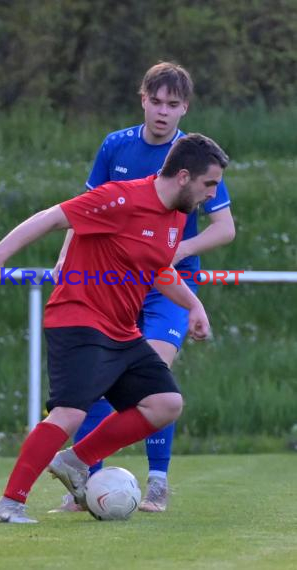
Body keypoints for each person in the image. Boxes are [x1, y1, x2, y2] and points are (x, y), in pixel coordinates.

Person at [0, 133, 229, 523]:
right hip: (78, 318)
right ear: (183, 176)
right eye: (209, 184)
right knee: (69, 413)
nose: (212, 195)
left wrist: (194, 304)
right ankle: (9, 504)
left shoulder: (177, 217)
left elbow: (158, 269)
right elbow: (53, 217)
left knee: (165, 403)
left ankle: (75, 461)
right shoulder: (121, 197)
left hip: (121, 330)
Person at [50, 62, 235, 513]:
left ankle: (157, 482)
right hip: (114, 278)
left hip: (170, 283)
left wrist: (174, 250)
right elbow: (83, 211)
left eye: (174, 105)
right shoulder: (116, 146)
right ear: (143, 99)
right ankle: (87, 480)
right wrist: (64, 256)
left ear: (184, 108)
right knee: (94, 380)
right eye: (157, 101)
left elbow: (225, 228)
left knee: (154, 373)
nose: (164, 112)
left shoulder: (193, 154)